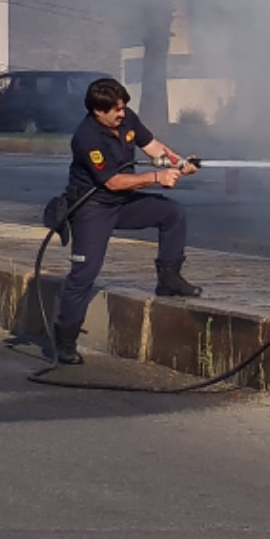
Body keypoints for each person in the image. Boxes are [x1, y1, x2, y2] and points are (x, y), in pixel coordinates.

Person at [50, 78, 200, 365]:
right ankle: (65, 339)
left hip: (123, 204)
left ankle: (169, 280)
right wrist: (157, 177)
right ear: (98, 111)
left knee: (172, 213)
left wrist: (179, 163)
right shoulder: (87, 138)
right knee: (84, 274)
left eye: (123, 107)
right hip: (93, 208)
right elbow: (113, 181)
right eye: (116, 109)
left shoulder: (127, 118)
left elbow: (153, 146)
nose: (122, 113)